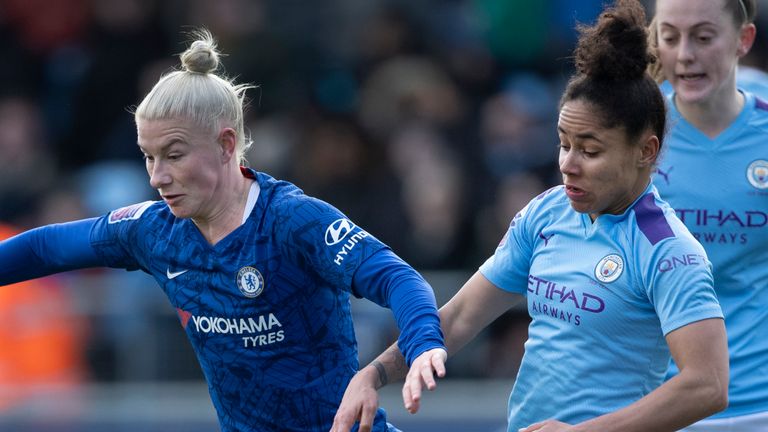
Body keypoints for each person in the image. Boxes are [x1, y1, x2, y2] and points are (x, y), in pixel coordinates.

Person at [0, 29, 447, 432]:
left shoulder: (292, 221)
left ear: (225, 144)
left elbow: (398, 278)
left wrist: (424, 340)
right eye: (148, 156)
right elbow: (46, 247)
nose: (157, 177)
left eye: (173, 155)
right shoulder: (154, 232)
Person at [331, 1, 729, 431]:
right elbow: (461, 315)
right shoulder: (546, 213)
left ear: (645, 151)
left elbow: (706, 385)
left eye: (591, 151)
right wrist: (373, 375)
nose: (568, 164)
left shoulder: (668, 250)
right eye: (563, 143)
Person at [649, 0, 768, 430]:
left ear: (743, 40)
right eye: (670, 37)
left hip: (758, 407)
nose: (684, 54)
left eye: (702, 37)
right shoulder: (631, 134)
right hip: (652, 406)